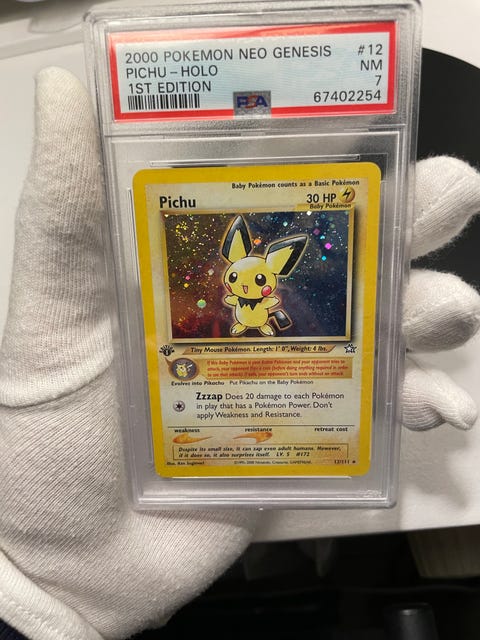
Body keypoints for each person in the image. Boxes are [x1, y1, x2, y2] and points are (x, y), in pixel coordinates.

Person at [0, 67, 479, 640]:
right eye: (241, 278)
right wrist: (43, 594)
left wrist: (35, 596)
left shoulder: (270, 293)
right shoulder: (221, 290)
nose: (247, 283)